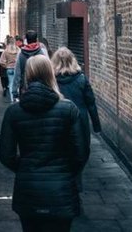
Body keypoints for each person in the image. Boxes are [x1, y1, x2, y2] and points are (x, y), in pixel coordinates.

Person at [0, 55, 88, 232]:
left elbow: (6, 155)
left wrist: (25, 167)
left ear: (27, 75)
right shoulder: (69, 109)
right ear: (51, 74)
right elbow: (81, 153)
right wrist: (64, 170)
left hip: (28, 189)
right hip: (61, 189)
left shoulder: (13, 112)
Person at [52, 47, 101, 191]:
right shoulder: (81, 79)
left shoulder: (52, 80)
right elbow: (91, 103)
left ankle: (63, 181)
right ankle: (76, 180)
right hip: (80, 122)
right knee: (81, 151)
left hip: (58, 121)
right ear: (72, 60)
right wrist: (96, 126)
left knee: (60, 151)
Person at [11, 30, 46, 100]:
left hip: (25, 89)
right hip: (40, 89)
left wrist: (14, 91)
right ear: (36, 40)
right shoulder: (42, 53)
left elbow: (17, 73)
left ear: (26, 40)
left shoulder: (21, 54)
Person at [0, 36, 20, 101]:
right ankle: (16, 98)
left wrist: (6, 66)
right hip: (16, 68)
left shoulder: (6, 51)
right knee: (17, 83)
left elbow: (1, 61)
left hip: (9, 69)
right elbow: (20, 59)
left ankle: (12, 99)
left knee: (11, 84)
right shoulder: (18, 50)